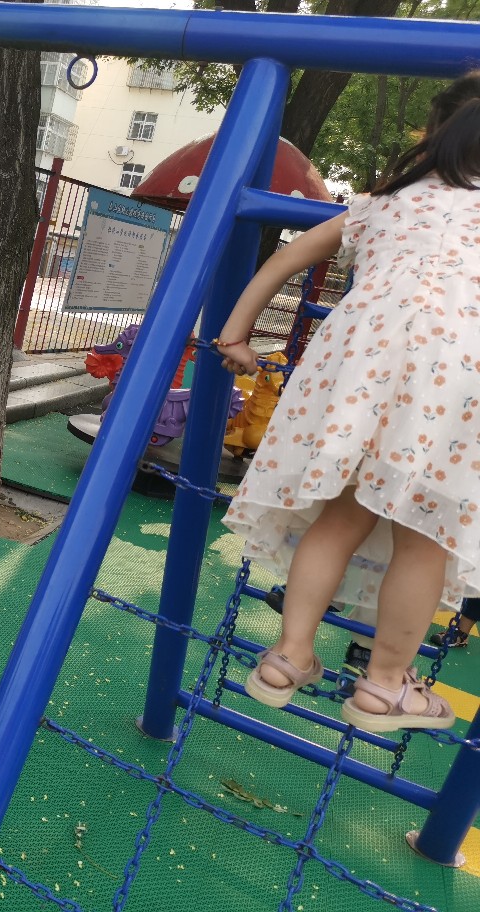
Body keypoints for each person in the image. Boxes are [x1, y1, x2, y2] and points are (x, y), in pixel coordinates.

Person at [215, 71, 480, 733]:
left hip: (358, 371)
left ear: (434, 134)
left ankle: (288, 655)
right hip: (456, 380)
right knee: (427, 533)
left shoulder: (383, 203)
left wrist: (236, 332)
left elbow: (285, 261)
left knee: (340, 517)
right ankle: (385, 686)